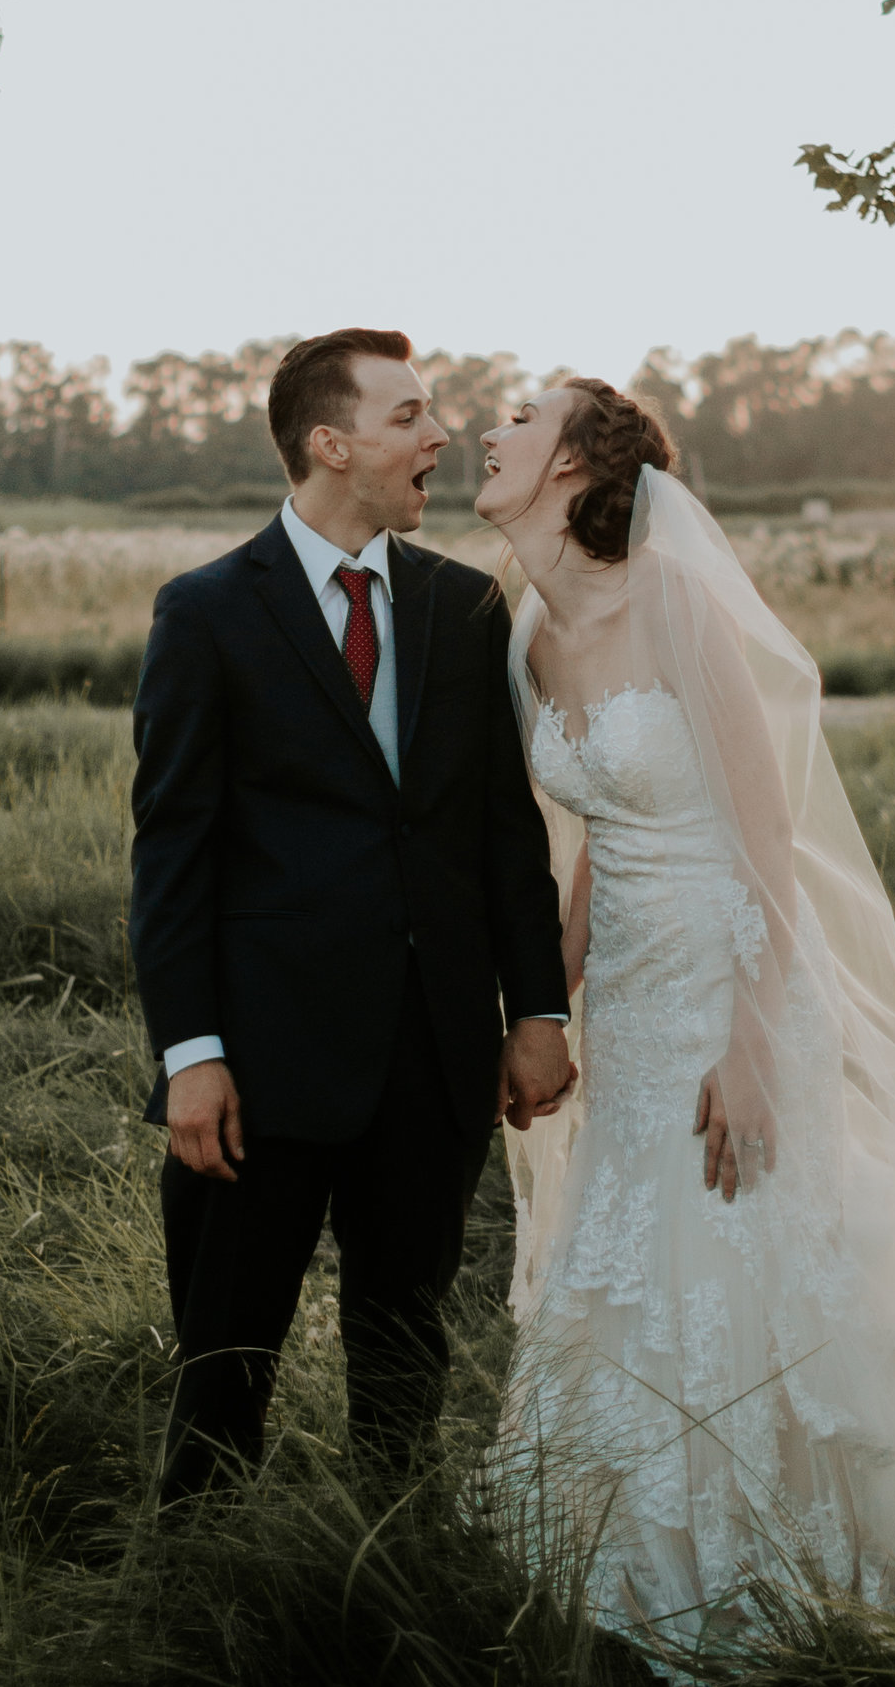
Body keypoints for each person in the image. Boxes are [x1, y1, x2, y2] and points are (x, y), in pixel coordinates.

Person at [475, 376, 895, 1672]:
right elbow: (607, 820)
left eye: (517, 417)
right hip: (632, 1003)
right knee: (635, 1262)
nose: (489, 433)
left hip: (737, 980)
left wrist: (756, 1038)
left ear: (573, 463)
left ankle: (829, 1589)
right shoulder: (534, 625)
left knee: (758, 1270)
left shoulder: (671, 590)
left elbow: (761, 831)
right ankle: (648, 1573)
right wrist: (550, 995)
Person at [128, 328, 576, 1501]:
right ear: (330, 444)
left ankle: (389, 1584)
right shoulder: (208, 612)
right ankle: (201, 1608)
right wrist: (192, 1057)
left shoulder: (464, 608)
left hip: (431, 1061)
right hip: (257, 1074)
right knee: (223, 1371)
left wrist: (535, 1010)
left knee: (404, 1366)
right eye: (409, 417)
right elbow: (173, 854)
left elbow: (502, 833)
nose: (439, 438)